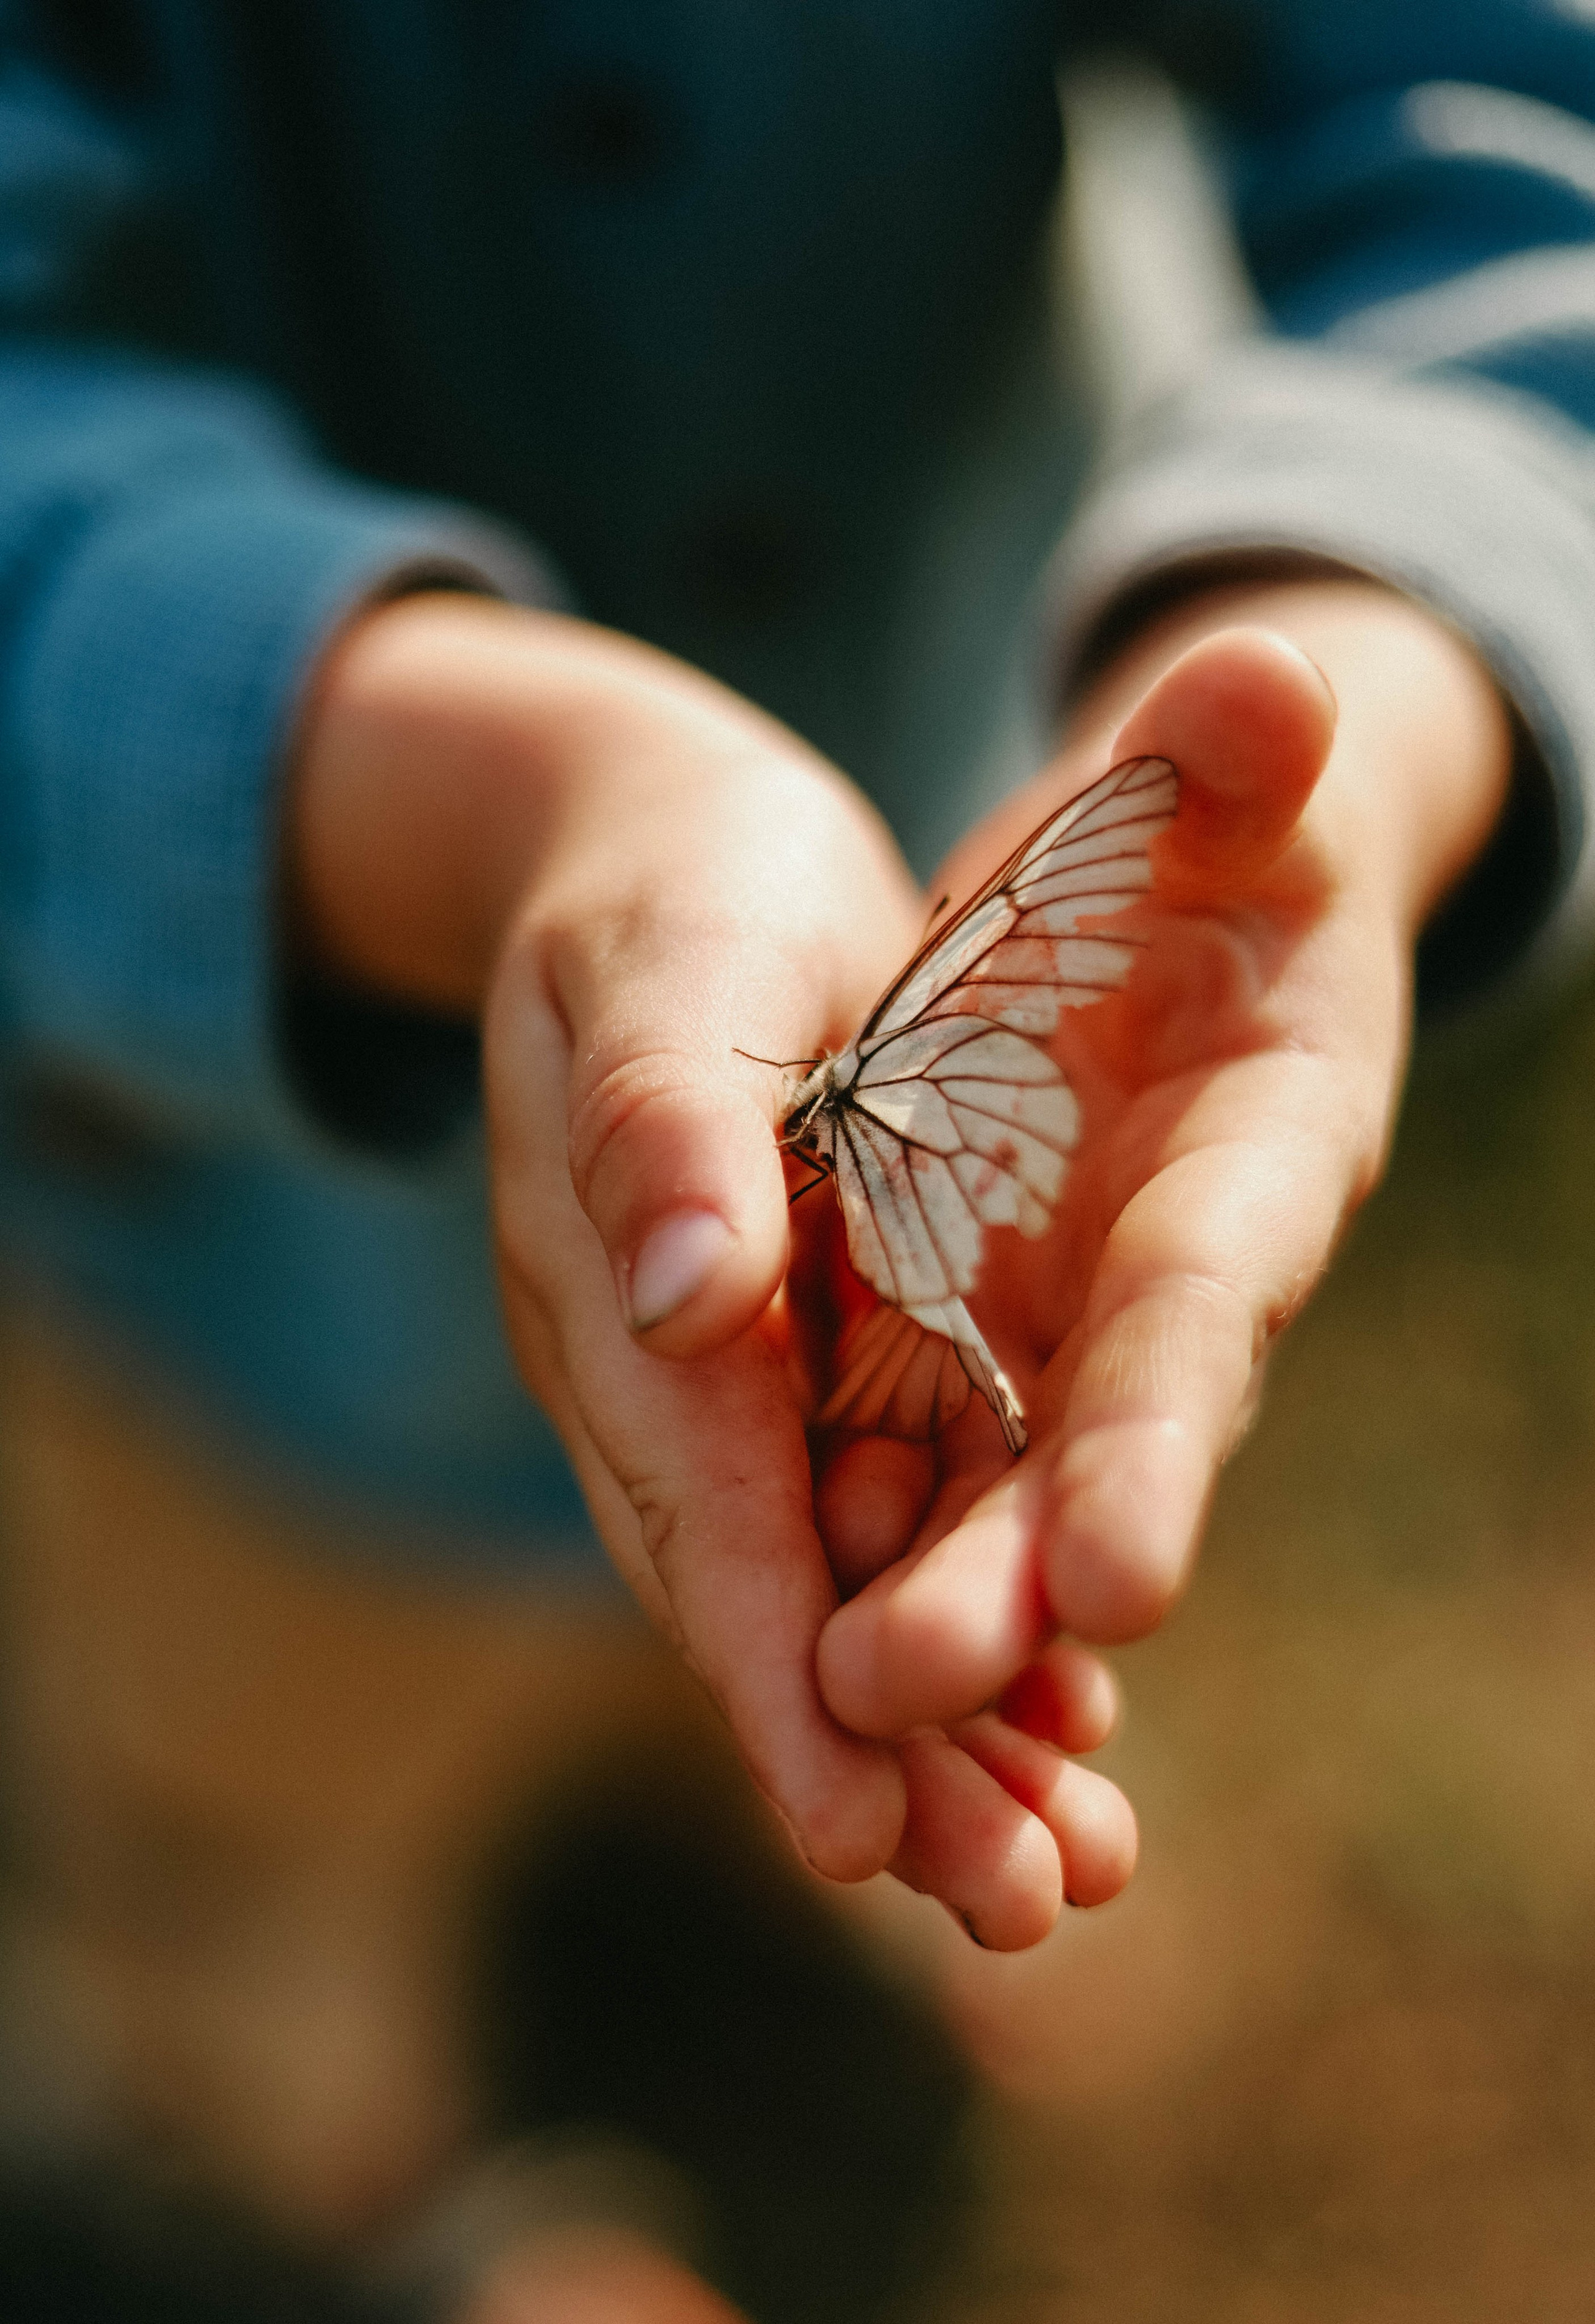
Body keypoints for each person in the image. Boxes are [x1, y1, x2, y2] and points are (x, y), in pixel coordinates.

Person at [2, 1, 1594, 2314]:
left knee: (794, 1549)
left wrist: (1363, 660)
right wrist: (473, 790)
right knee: (249, 1793)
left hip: (965, 750)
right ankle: (324, 2151)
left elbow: (1511, 94)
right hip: (228, 1258)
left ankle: (774, 1815)